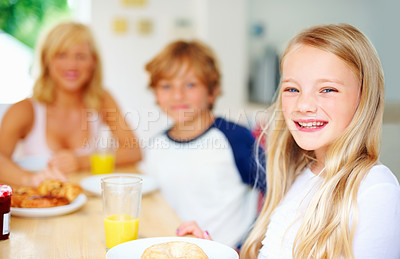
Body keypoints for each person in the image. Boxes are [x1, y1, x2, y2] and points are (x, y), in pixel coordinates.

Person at [178, 24, 400, 258]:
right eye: (292, 89)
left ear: (364, 97)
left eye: (327, 90)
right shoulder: (298, 172)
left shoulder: (375, 188)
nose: (304, 105)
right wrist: (215, 251)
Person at [140, 40, 266, 248]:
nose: (177, 95)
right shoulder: (156, 145)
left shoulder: (235, 137)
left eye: (190, 84)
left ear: (212, 90)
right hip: (173, 250)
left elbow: (277, 192)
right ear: (155, 93)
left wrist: (251, 246)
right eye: (166, 85)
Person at [0, 22, 141, 187]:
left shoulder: (102, 100)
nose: (71, 65)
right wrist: (30, 179)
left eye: (80, 56)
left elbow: (134, 151)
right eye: (61, 55)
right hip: (38, 203)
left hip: (88, 204)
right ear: (46, 60)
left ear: (93, 62)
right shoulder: (25, 110)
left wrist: (81, 162)